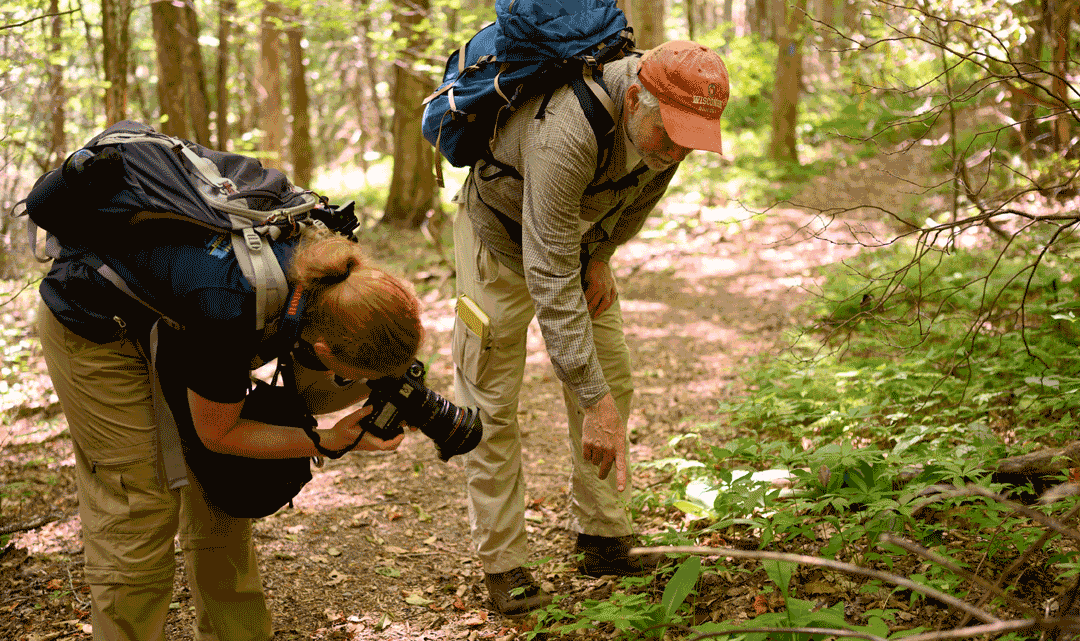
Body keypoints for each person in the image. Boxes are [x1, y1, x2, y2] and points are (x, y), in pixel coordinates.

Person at [450, 39, 730, 616]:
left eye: (691, 140)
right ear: (634, 98)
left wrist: (599, 253)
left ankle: (603, 534)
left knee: (613, 378)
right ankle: (505, 563)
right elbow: (546, 268)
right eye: (671, 135)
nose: (679, 153)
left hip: (575, 244)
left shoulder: (668, 135)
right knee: (491, 401)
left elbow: (632, 205)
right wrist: (589, 392)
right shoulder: (567, 130)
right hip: (499, 241)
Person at [37, 225, 424, 641]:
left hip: (180, 321)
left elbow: (307, 397)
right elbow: (219, 434)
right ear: (326, 350)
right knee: (140, 505)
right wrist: (326, 441)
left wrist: (388, 390)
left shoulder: (331, 288)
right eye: (359, 374)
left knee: (224, 484)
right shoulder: (230, 311)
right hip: (96, 319)